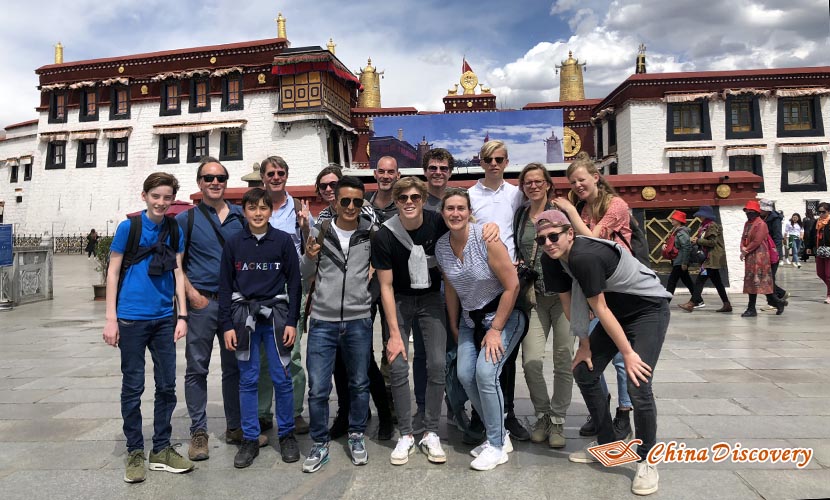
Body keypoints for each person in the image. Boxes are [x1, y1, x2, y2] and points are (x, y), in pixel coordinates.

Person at [536, 209, 671, 496]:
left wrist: (629, 353)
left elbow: (600, 308)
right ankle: (609, 446)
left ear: (570, 233)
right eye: (542, 239)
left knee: (638, 382)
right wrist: (584, 346)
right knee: (584, 372)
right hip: (617, 312)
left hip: (648, 310)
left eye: (554, 236)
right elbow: (570, 305)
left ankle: (647, 459)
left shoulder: (585, 256)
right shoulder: (551, 260)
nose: (548, 243)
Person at [103, 172, 193, 483]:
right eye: (156, 196)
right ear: (145, 196)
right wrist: (110, 319)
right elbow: (113, 272)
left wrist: (182, 316)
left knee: (167, 385)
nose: (161, 202)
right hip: (130, 318)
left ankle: (161, 448)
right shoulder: (129, 227)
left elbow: (178, 272)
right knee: (133, 386)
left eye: (167, 197)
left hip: (164, 318)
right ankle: (134, 450)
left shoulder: (173, 228)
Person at [435, 188, 526, 471]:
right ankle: (499, 433)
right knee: (465, 374)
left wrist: (496, 328)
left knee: (486, 375)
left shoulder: (486, 238)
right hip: (469, 320)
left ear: (469, 210)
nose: (455, 213)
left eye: (461, 208)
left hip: (502, 316)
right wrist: (453, 322)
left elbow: (513, 286)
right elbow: (450, 286)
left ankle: (497, 444)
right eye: (449, 208)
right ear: (443, 213)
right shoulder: (441, 246)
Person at [176, 157, 252, 462]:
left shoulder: (240, 217)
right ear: (199, 183)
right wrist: (192, 296)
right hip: (202, 303)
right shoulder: (187, 220)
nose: (215, 182)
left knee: (235, 367)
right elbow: (176, 264)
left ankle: (235, 426)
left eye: (220, 177)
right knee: (197, 367)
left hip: (234, 304)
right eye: (208, 178)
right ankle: (199, 431)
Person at [219, 188, 302, 468]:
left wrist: (292, 320)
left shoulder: (281, 241)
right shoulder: (233, 243)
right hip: (244, 317)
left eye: (263, 208)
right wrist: (227, 325)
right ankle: (250, 438)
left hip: (276, 315)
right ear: (244, 211)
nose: (257, 213)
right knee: (248, 379)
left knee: (282, 377)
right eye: (252, 208)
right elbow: (225, 286)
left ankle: (287, 433)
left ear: (271, 211)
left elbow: (295, 282)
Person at [553, 159, 633, 441]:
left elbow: (593, 240)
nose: (577, 186)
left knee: (622, 358)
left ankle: (625, 411)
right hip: (592, 287)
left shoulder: (616, 205)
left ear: (596, 177)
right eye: (572, 182)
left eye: (581, 180)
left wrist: (571, 210)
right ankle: (599, 408)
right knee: (589, 356)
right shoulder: (584, 207)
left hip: (621, 290)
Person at [301, 176, 376, 472]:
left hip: (358, 319)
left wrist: (366, 297)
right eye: (345, 201)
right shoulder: (320, 232)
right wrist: (308, 256)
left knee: (359, 383)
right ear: (334, 202)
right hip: (323, 320)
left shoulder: (371, 232)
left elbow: (385, 269)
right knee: (318, 388)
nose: (350, 206)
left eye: (357, 202)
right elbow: (304, 271)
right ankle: (319, 443)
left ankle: (356, 434)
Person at [375, 177, 450, 465]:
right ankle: (405, 433)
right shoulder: (384, 234)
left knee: (437, 363)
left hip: (431, 297)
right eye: (403, 197)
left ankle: (431, 430)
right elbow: (385, 286)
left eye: (415, 197)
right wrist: (394, 334)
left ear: (423, 199)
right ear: (395, 200)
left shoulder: (437, 223)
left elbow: (463, 233)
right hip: (400, 299)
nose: (409, 202)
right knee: (397, 363)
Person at [313, 164, 391, 439]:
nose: (349, 205)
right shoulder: (319, 223)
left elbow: (378, 258)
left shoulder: (367, 219)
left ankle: (385, 413)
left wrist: (365, 288)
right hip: (329, 309)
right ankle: (346, 415)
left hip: (358, 306)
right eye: (325, 187)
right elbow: (312, 267)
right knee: (337, 366)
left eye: (354, 200)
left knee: (364, 366)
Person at [468, 139, 529, 441]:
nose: (494, 164)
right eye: (489, 159)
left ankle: (508, 413)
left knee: (506, 354)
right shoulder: (469, 195)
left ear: (507, 162)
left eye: (500, 159)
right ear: (481, 162)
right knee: (482, 348)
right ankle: (480, 413)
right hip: (480, 281)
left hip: (510, 279)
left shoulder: (517, 195)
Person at [512, 163, 572, 448]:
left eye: (539, 181)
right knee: (531, 361)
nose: (533, 186)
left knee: (563, 361)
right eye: (528, 182)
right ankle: (543, 415)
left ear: (548, 183)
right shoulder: (521, 215)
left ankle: (558, 420)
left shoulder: (561, 210)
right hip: (534, 296)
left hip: (564, 297)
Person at [258, 156, 311, 435]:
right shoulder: (256, 207)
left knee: (294, 355)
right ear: (263, 177)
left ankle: (294, 411)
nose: (276, 177)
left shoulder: (300, 209)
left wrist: (305, 227)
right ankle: (263, 412)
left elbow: (312, 247)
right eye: (271, 173)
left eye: (280, 173)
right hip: (261, 289)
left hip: (291, 289)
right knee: (266, 355)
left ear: (286, 176)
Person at [680, 206, 732, 313]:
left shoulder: (712, 226)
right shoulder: (704, 226)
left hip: (711, 259)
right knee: (717, 283)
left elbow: (712, 242)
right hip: (708, 259)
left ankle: (691, 303)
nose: (699, 217)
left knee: (700, 280)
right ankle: (727, 304)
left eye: (701, 215)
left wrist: (698, 241)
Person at [740, 200, 786, 317]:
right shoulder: (747, 224)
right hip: (751, 256)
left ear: (756, 212)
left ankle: (773, 303)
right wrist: (742, 248)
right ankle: (756, 307)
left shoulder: (761, 224)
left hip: (760, 257)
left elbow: (757, 240)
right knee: (752, 282)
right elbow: (743, 237)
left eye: (751, 212)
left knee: (761, 282)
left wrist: (746, 250)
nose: (748, 214)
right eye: (747, 211)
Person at [759, 199, 789, 307]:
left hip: (772, 252)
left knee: (769, 278)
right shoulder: (762, 217)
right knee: (767, 278)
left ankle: (774, 302)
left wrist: (777, 254)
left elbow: (777, 237)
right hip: (764, 251)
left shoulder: (775, 219)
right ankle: (780, 294)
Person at [663, 210, 696, 302]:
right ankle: (698, 300)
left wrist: (684, 262)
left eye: (674, 219)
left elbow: (686, 247)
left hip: (680, 261)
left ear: (679, 221)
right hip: (678, 260)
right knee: (687, 281)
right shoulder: (676, 231)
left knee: (671, 281)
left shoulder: (681, 232)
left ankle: (666, 302)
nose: (672, 220)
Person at [422, 147, 454, 211]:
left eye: (443, 168)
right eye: (433, 168)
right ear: (425, 172)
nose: (438, 172)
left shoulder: (459, 200)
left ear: (450, 173)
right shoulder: (415, 201)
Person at [814, 202, 830, 304]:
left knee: (828, 275)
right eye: (819, 212)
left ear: (828, 212)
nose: (821, 214)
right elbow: (811, 234)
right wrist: (809, 247)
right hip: (820, 249)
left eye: (823, 212)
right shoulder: (817, 222)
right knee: (820, 273)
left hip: (829, 249)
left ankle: (829, 294)